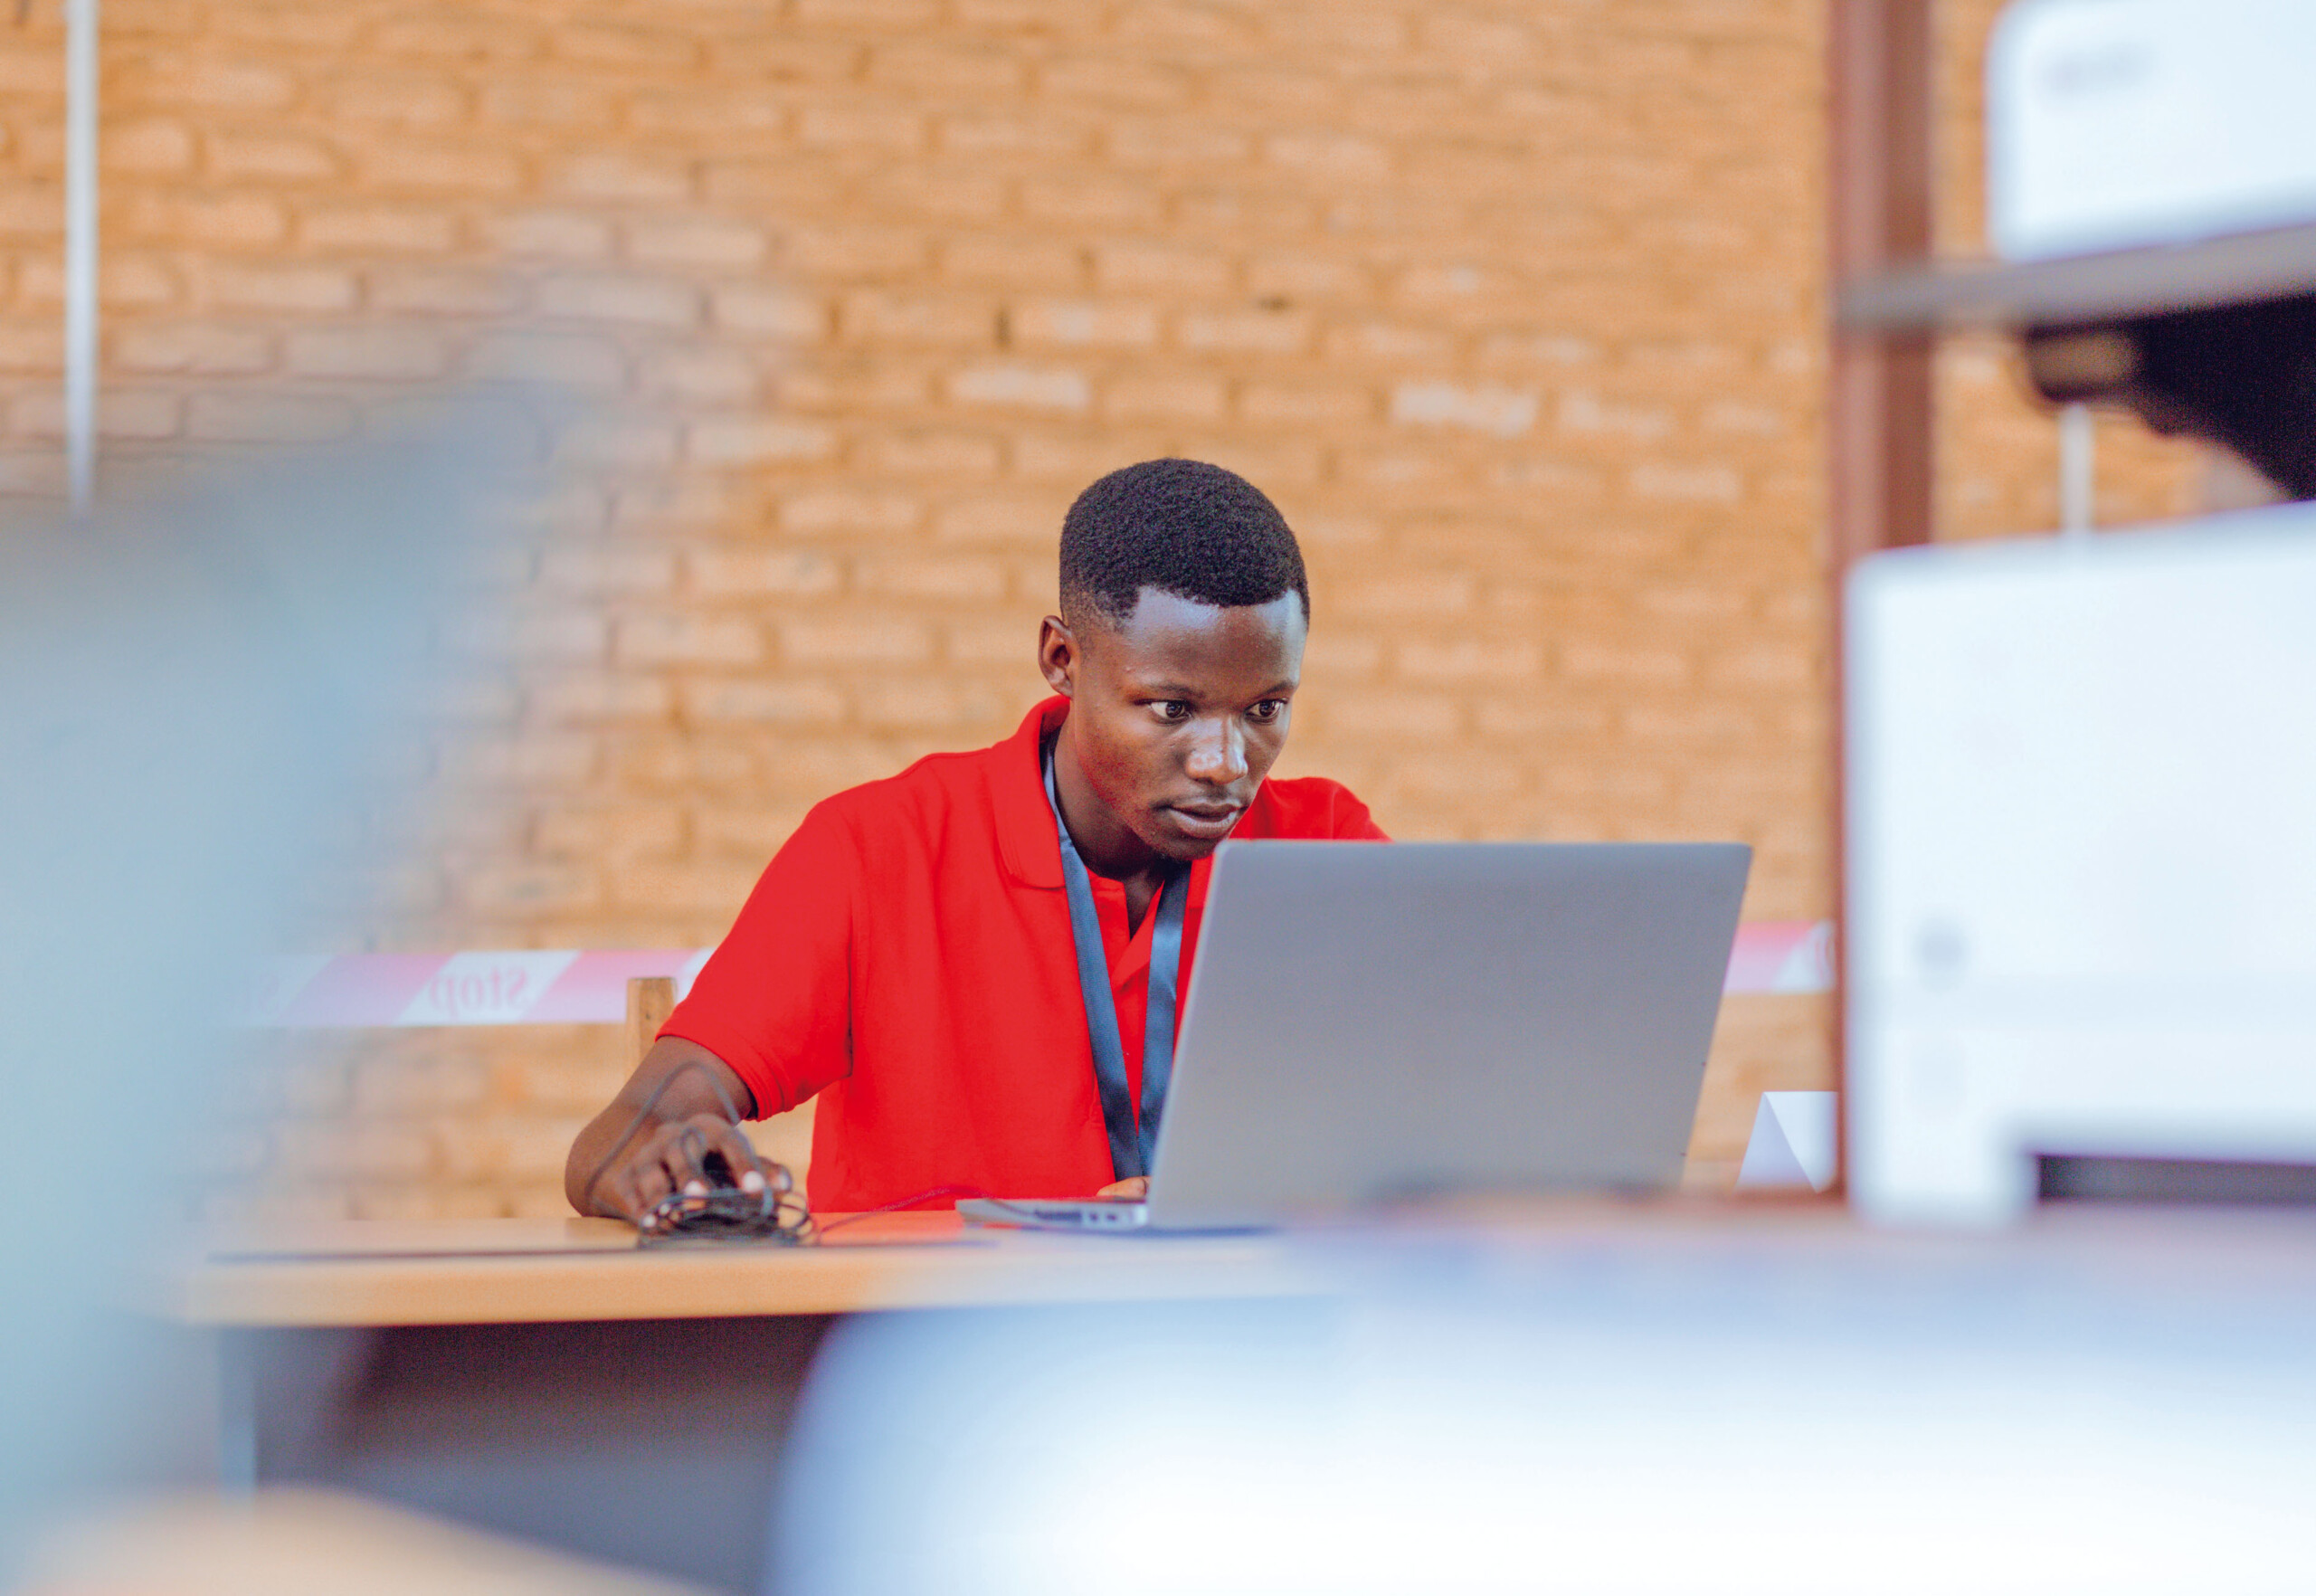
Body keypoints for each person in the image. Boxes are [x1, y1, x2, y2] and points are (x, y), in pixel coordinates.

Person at [565, 459, 1387, 1221]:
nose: (1224, 763)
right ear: (1062, 659)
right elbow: (616, 1142)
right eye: (1172, 709)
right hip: (931, 1352)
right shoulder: (877, 850)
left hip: (1230, 1346)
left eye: (1265, 710)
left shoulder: (1325, 848)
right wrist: (671, 1161)